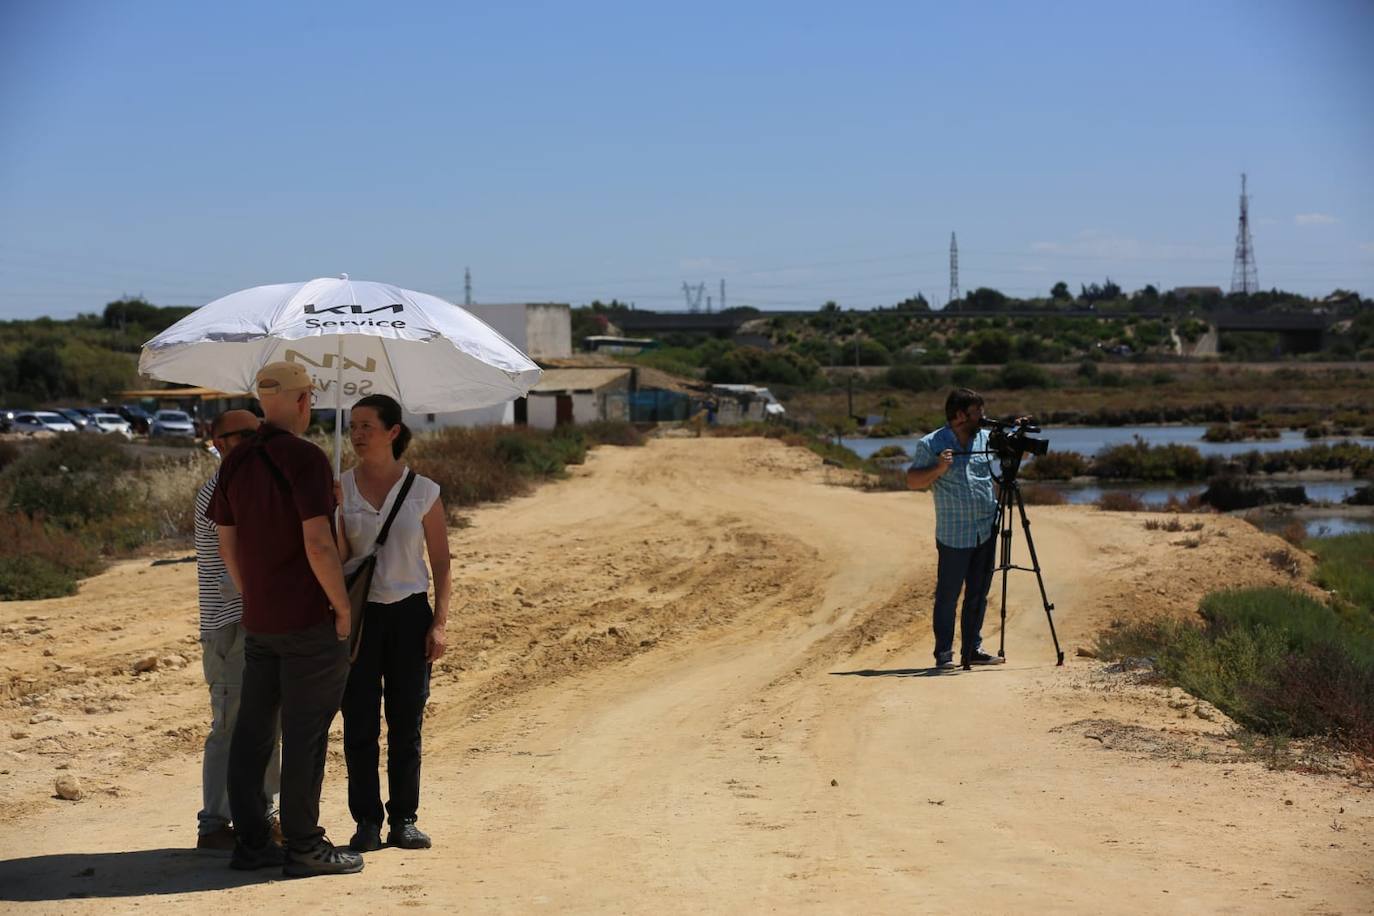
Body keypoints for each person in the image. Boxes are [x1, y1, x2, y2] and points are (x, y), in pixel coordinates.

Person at [209, 362, 363, 877]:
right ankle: (304, 846)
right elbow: (319, 544)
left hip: (262, 620)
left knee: (254, 733)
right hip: (306, 621)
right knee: (305, 734)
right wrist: (342, 608)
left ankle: (252, 843)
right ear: (303, 400)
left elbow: (226, 541)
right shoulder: (306, 457)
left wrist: (252, 592)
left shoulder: (234, 462)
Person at [335, 394, 450, 852]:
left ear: (393, 432)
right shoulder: (339, 486)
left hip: (408, 614)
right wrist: (331, 513)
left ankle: (404, 818)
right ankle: (366, 821)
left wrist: (439, 623)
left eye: (367, 426)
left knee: (407, 722)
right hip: (360, 617)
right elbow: (341, 559)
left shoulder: (424, 490)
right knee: (358, 722)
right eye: (353, 426)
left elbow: (441, 561)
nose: (357, 434)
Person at [194, 408, 281, 850]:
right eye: (244, 435)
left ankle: (264, 815)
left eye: (258, 433)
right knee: (229, 725)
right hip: (230, 625)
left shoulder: (242, 486)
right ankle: (213, 823)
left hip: (253, 621)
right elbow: (238, 566)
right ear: (220, 443)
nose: (254, 441)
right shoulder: (220, 490)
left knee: (266, 723)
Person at [906, 388, 1009, 670]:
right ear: (960, 415)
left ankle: (972, 649)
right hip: (954, 533)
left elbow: (1001, 466)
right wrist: (939, 468)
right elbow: (913, 481)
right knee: (948, 596)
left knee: (979, 592)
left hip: (985, 528)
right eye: (978, 412)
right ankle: (944, 654)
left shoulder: (985, 439)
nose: (983, 417)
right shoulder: (932, 443)